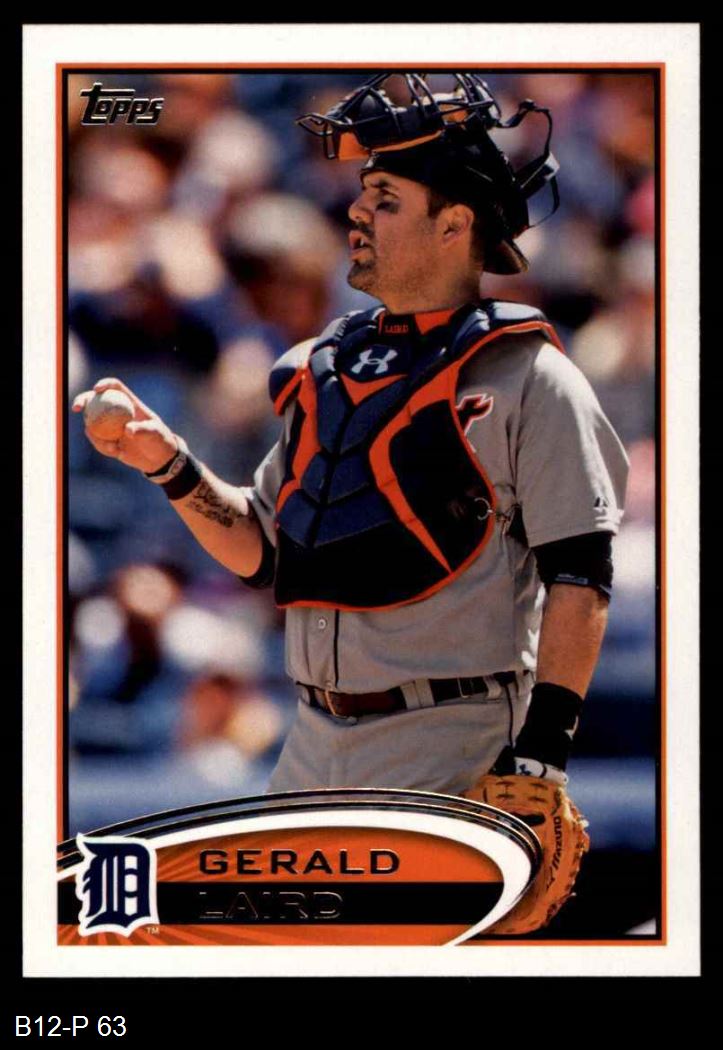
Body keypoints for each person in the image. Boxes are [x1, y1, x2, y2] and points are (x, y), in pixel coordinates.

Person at [73, 73, 629, 930]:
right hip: (311, 740)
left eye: (386, 199)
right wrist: (169, 464)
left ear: (454, 224)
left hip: (451, 738)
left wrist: (541, 758)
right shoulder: (328, 370)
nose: (357, 214)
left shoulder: (531, 377)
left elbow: (580, 577)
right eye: (362, 194)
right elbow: (264, 552)